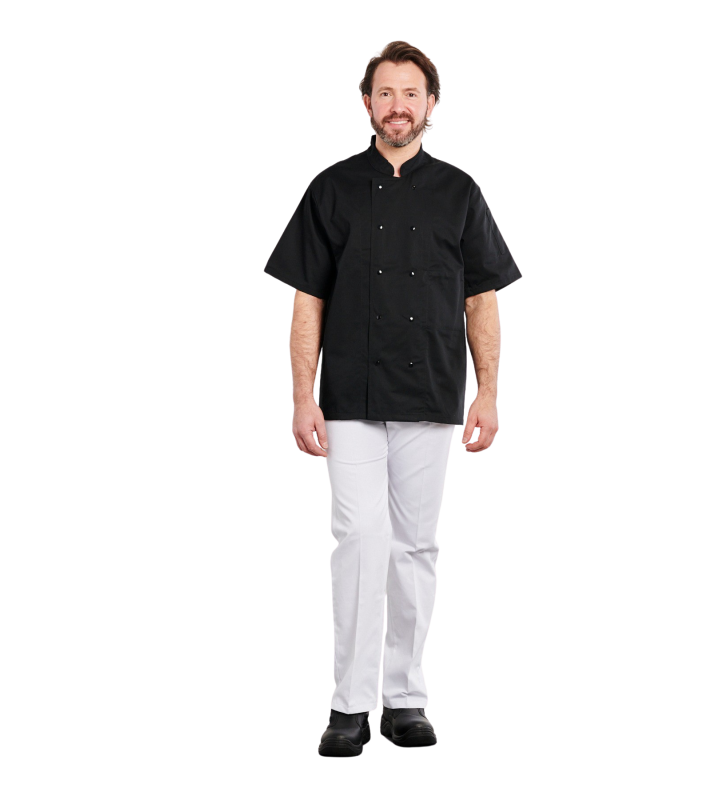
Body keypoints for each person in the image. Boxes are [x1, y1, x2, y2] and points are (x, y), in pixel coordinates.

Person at [263, 40, 522, 756]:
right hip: (347, 396)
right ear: (366, 103)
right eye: (386, 92)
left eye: (412, 93)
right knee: (358, 540)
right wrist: (302, 395)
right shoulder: (330, 187)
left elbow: (482, 301)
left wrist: (489, 393)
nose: (398, 105)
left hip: (434, 392)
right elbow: (307, 300)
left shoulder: (461, 191)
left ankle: (405, 697)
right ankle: (349, 705)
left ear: (431, 105)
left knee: (415, 547)